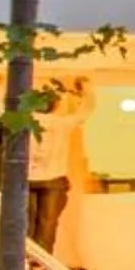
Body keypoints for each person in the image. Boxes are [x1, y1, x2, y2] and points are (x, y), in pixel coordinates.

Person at [23, 77, 90, 253]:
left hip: (26, 181)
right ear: (54, 105)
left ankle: (27, 262)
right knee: (48, 224)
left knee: (26, 225)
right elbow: (86, 111)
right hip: (54, 181)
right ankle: (42, 265)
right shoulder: (62, 124)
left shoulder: (24, 123)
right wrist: (84, 90)